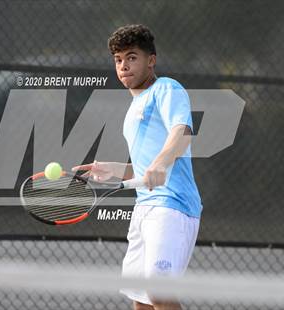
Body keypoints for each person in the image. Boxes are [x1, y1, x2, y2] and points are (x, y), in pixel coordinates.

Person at [72, 24, 202, 310]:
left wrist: (160, 163)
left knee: (159, 293)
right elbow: (145, 171)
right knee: (140, 300)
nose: (124, 66)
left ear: (150, 60)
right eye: (118, 60)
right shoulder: (132, 110)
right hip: (144, 208)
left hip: (172, 206)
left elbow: (182, 132)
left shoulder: (166, 89)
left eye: (132, 57)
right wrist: (115, 169)